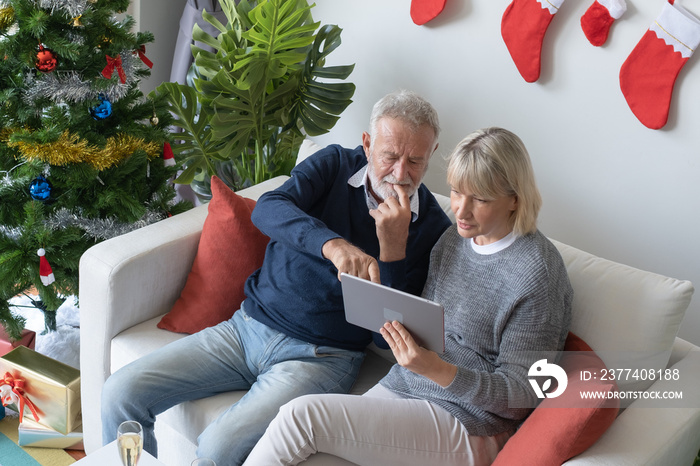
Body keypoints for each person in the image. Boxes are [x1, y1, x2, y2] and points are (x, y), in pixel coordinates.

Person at [100, 90, 452, 466]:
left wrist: (392, 250)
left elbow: (385, 337)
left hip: (322, 358)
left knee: (219, 446)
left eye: (415, 161)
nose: (401, 174)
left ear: (431, 155)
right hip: (245, 329)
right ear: (367, 145)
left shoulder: (433, 229)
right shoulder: (335, 164)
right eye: (390, 156)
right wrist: (331, 245)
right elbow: (269, 209)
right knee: (120, 392)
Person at [243, 127, 574, 466]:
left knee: (301, 418)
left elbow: (522, 395)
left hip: (468, 420)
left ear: (515, 199)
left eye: (481, 199)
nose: (461, 211)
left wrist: (438, 370)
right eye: (457, 192)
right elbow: (423, 325)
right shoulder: (452, 242)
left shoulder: (537, 272)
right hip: (406, 387)